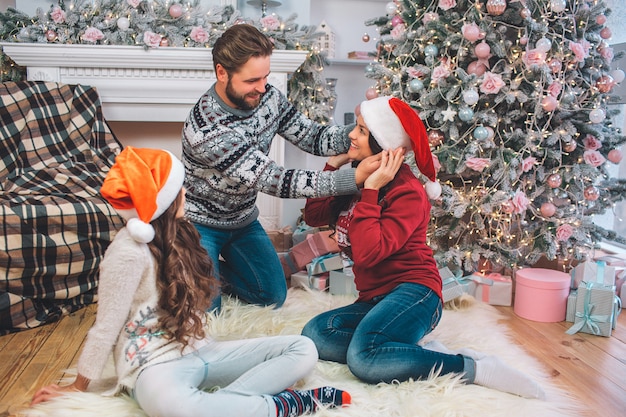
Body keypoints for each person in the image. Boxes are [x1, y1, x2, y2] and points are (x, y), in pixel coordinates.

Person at [31, 147, 351, 417]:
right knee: (175, 407)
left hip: (201, 353)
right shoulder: (127, 252)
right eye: (180, 187)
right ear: (166, 198)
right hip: (154, 367)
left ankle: (233, 405)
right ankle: (282, 406)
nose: (186, 192)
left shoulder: (184, 234)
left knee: (303, 348)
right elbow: (106, 326)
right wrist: (76, 388)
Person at [300, 97, 546, 400]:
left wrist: (372, 190)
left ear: (384, 144)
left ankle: (474, 367)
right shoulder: (358, 174)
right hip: (374, 298)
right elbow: (313, 216)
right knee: (316, 336)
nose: (351, 134)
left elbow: (367, 253)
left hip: (416, 293)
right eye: (356, 127)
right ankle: (403, 349)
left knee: (364, 359)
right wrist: (334, 167)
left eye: (362, 131)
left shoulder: (407, 193)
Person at [182, 24, 379, 310]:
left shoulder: (268, 97)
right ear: (222, 72)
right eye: (252, 80)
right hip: (200, 225)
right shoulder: (205, 128)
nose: (262, 88)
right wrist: (353, 178)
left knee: (271, 296)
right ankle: (187, 265)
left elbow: (313, 137)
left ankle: (210, 271)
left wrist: (363, 130)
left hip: (242, 221)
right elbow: (274, 180)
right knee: (207, 311)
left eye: (265, 77)